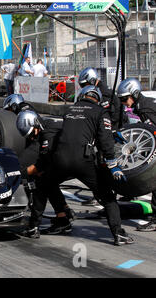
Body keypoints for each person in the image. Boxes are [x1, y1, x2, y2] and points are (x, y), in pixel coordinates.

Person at [41, 86, 133, 245]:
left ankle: (56, 220)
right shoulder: (99, 111)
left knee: (48, 184)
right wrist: (112, 163)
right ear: (97, 98)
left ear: (82, 96)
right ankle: (118, 233)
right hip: (83, 161)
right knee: (107, 196)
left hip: (61, 159)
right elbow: (104, 141)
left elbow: (75, 131)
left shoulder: (69, 110)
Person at [16, 110, 74, 238]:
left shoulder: (47, 134)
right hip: (73, 159)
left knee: (41, 184)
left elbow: (42, 163)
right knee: (49, 182)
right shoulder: (48, 124)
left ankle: (33, 227)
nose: (31, 138)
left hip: (70, 162)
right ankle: (63, 215)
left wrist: (22, 173)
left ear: (35, 124)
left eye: (31, 134)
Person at [117, 78, 156, 232]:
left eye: (124, 99)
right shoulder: (143, 105)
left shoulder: (145, 109)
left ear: (134, 93)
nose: (123, 102)